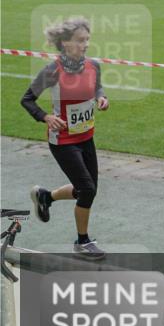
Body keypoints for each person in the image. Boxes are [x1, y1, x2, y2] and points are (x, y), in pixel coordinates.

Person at [21, 17, 109, 260]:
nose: (86, 44)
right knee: (87, 189)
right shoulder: (52, 71)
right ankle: (82, 242)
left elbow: (97, 88)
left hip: (86, 137)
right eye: (81, 40)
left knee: (88, 189)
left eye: (87, 39)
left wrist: (102, 98)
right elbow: (27, 99)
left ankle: (45, 196)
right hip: (63, 141)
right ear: (65, 43)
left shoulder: (93, 66)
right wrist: (46, 117)